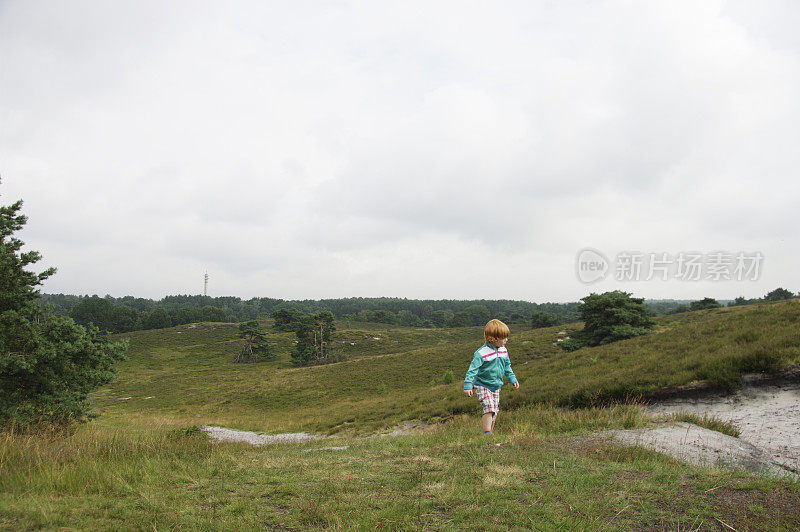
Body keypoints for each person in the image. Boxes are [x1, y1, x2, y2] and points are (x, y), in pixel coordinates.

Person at [463, 319, 519, 435]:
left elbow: (507, 367)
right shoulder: (481, 353)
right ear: (494, 338)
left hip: (496, 386)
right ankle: (487, 433)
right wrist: (468, 385)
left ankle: (491, 433)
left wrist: (513, 379)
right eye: (504, 338)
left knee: (495, 411)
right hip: (482, 385)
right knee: (489, 407)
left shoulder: (504, 351)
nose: (506, 340)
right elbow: (472, 370)